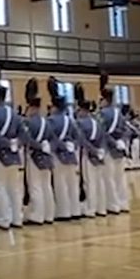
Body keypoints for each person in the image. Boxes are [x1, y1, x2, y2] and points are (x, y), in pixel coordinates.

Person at [0, 67, 23, 230]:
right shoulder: (16, 115)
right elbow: (23, 135)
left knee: (0, 187)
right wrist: (15, 144)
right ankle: (17, 218)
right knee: (14, 188)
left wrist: (7, 144)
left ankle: (3, 219)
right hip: (15, 155)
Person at [21, 79, 55, 225]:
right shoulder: (46, 121)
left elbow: (26, 139)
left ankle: (37, 215)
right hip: (47, 156)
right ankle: (49, 214)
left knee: (35, 186)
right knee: (46, 185)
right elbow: (53, 138)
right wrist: (46, 146)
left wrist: (39, 146)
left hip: (34, 156)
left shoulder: (28, 122)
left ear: (31, 107)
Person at [47, 78, 80, 220]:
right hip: (71, 154)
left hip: (57, 155)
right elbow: (78, 137)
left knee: (60, 184)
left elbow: (50, 137)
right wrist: (72, 145)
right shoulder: (71, 120)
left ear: (54, 107)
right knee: (72, 184)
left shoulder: (51, 120)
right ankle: (75, 210)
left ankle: (63, 212)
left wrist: (59, 146)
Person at [75, 84, 107, 218]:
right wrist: (101, 151)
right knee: (100, 181)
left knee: (89, 182)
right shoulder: (97, 122)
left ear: (82, 110)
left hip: (88, 154)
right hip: (99, 153)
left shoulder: (80, 122)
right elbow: (103, 138)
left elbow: (82, 140)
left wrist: (93, 151)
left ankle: (90, 208)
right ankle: (102, 208)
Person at [99, 75, 130, 215]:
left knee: (109, 178)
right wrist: (122, 141)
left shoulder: (102, 113)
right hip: (120, 148)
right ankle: (124, 203)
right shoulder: (119, 113)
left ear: (105, 100)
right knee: (120, 177)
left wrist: (113, 142)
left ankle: (113, 204)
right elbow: (126, 130)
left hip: (108, 149)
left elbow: (102, 132)